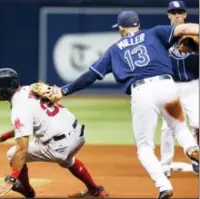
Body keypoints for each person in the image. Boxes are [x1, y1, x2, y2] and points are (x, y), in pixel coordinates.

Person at [31, 10, 199, 199]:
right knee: (179, 129)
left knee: (144, 147)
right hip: (167, 85)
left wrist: (63, 90)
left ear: (120, 28)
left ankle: (163, 186)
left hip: (141, 91)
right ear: (138, 25)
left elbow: (90, 75)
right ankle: (191, 149)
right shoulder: (155, 32)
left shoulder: (114, 49)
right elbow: (186, 28)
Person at [0, 68, 109, 198]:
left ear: (6, 90)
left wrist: (11, 180)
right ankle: (96, 190)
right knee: (68, 160)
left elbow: (22, 149)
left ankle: (28, 191)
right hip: (78, 133)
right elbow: (28, 124)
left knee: (12, 154)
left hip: (60, 145)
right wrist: (4, 136)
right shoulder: (28, 90)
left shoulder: (19, 109)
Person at [160, 0, 199, 177]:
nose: (176, 15)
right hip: (170, 86)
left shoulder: (195, 34)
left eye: (179, 12)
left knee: (197, 123)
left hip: (193, 85)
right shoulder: (162, 35)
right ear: (168, 15)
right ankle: (165, 166)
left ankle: (195, 160)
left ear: (185, 15)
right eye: (173, 12)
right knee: (167, 128)